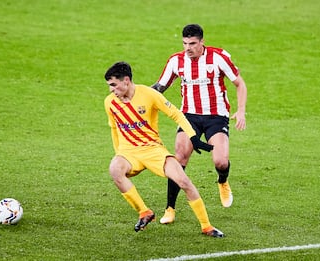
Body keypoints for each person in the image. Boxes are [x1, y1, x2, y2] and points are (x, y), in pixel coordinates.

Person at [104, 61, 224, 237]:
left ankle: (206, 226)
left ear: (126, 81)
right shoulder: (110, 103)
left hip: (154, 150)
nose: (111, 90)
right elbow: (114, 129)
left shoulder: (149, 94)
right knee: (114, 169)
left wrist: (193, 137)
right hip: (128, 153)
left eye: (114, 85)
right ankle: (144, 212)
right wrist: (119, 153)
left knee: (184, 182)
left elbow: (176, 113)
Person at [152, 24, 247, 224]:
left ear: (202, 42)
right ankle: (170, 208)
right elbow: (159, 87)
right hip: (189, 116)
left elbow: (240, 83)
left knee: (221, 161)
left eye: (193, 43)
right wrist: (137, 96)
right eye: (185, 43)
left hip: (216, 116)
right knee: (179, 158)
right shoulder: (175, 61)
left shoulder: (218, 57)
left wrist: (240, 111)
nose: (188, 48)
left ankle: (222, 181)